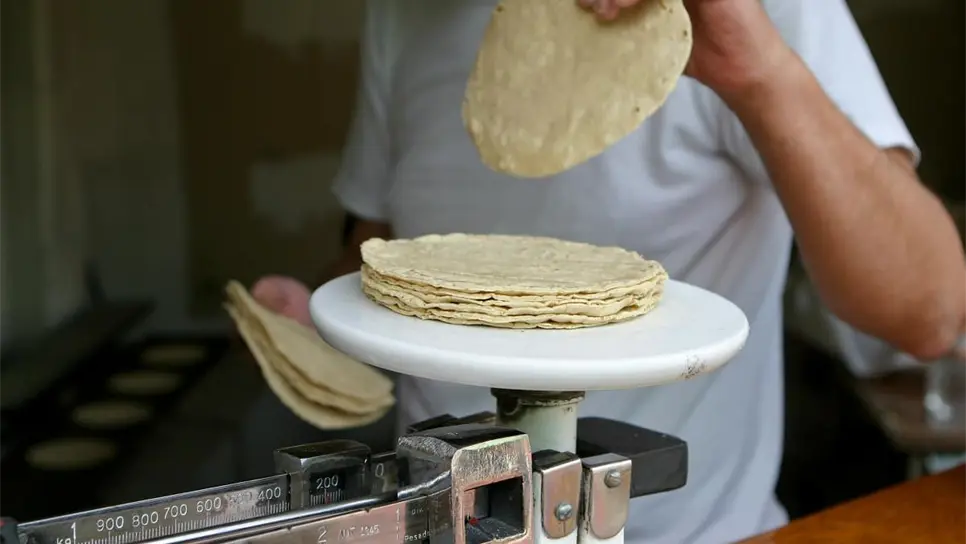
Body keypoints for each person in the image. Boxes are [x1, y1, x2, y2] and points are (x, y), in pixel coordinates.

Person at [252, 0, 966, 541]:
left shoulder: (765, 12)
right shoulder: (406, 14)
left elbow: (928, 311)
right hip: (439, 524)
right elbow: (390, 255)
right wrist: (310, 320)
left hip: (695, 532)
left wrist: (755, 67)